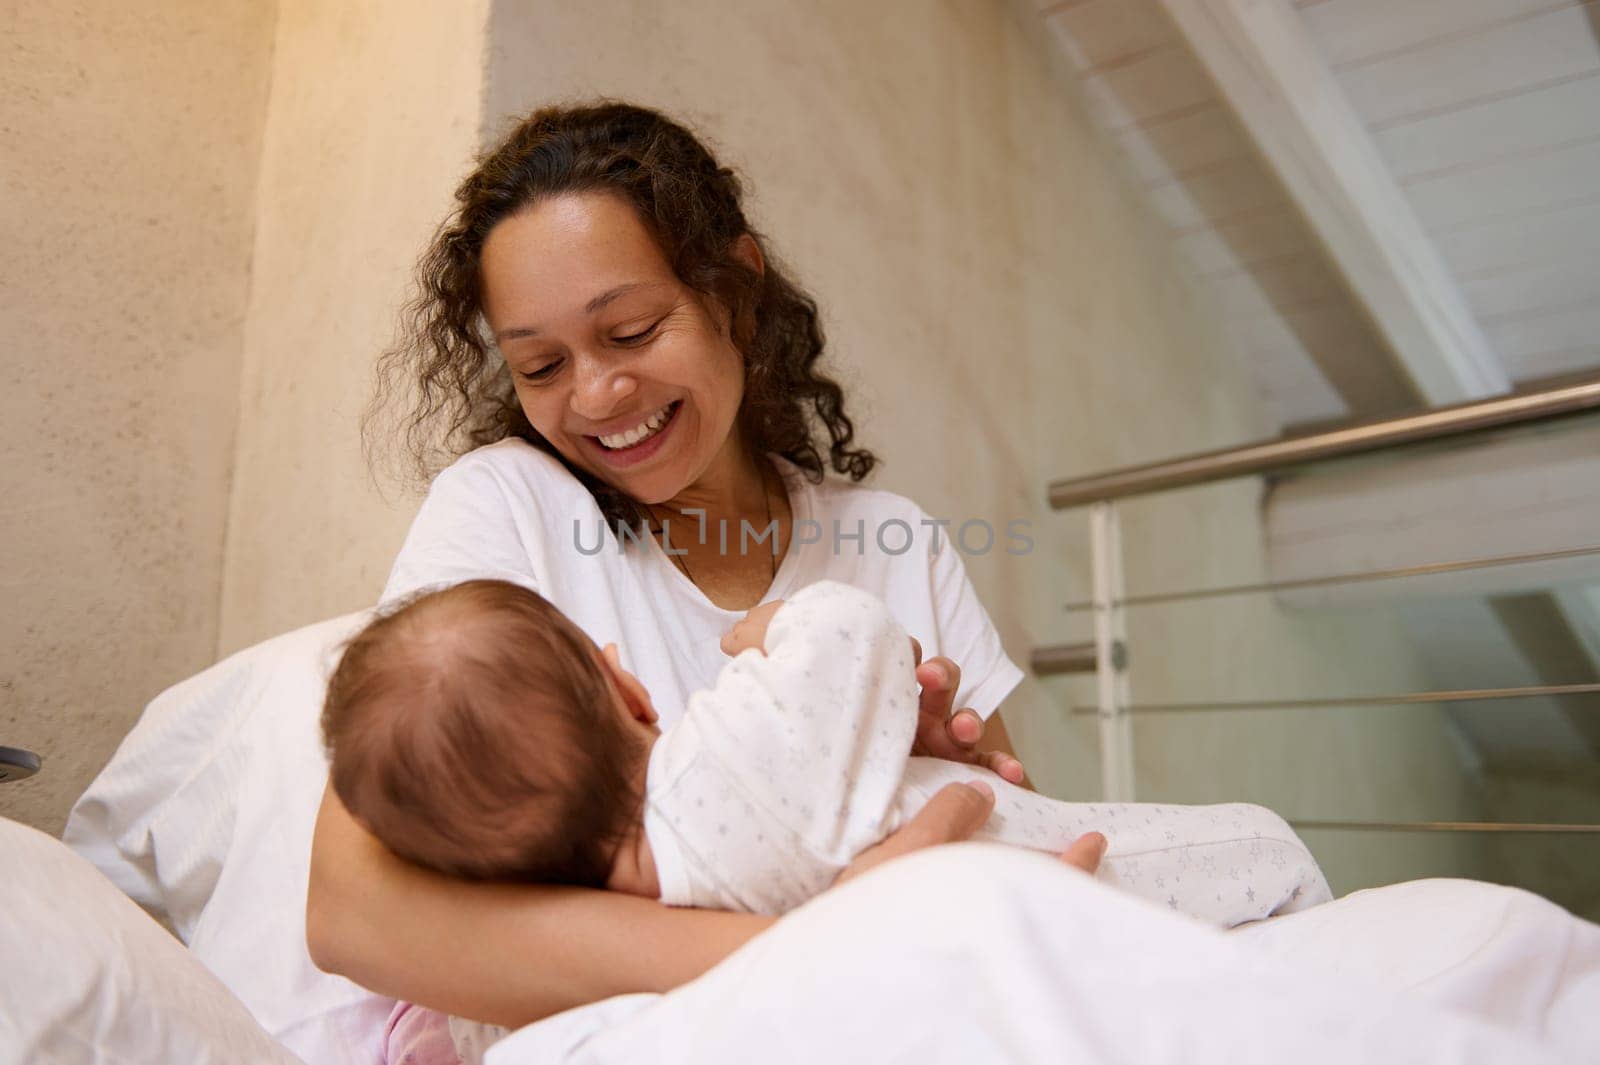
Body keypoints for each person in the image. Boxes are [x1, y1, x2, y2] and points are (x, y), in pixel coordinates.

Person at [305, 98, 1108, 1045]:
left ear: (734, 287)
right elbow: (350, 909)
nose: (597, 395)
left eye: (634, 330)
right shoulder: (510, 509)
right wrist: (830, 947)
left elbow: (1037, 839)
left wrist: (946, 778)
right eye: (540, 364)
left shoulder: (898, 543)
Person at [324, 577, 1329, 927]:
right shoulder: (714, 763)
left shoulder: (591, 919)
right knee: (1263, 845)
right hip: (1060, 870)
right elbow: (853, 631)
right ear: (628, 688)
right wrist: (757, 630)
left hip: (1000, 904)